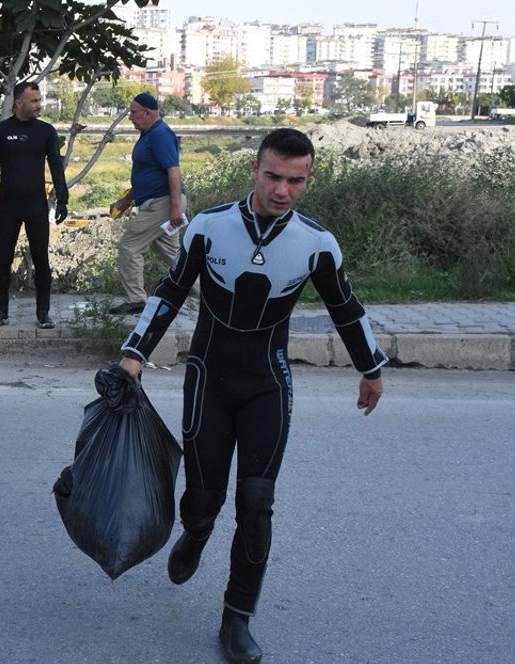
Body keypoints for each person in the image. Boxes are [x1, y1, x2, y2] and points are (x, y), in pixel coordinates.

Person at [116, 128, 387, 664]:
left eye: (295, 181)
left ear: (307, 179)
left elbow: (346, 309)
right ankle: (195, 531)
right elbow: (170, 292)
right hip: (208, 382)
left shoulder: (317, 243)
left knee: (256, 505)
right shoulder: (209, 228)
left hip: (268, 383)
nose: (282, 190)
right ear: (255, 171)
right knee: (203, 499)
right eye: (273, 177)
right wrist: (134, 353)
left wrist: (371, 369)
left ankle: (236, 618)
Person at [0, 81, 68, 330]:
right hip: (8, 205)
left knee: (41, 259)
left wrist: (62, 197)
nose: (39, 105)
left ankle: (43, 312)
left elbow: (56, 167)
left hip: (36, 206)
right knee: (3, 260)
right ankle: (1, 312)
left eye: (39, 101)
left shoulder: (46, 132)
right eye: (34, 101)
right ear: (19, 102)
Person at [109, 92, 189, 315]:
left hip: (162, 204)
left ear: (147, 113)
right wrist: (126, 200)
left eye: (134, 113)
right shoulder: (149, 134)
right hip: (160, 203)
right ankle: (214, 293)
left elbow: (173, 171)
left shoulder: (160, 135)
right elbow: (147, 173)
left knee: (129, 246)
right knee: (173, 256)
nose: (130, 117)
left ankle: (136, 300)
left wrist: (174, 208)